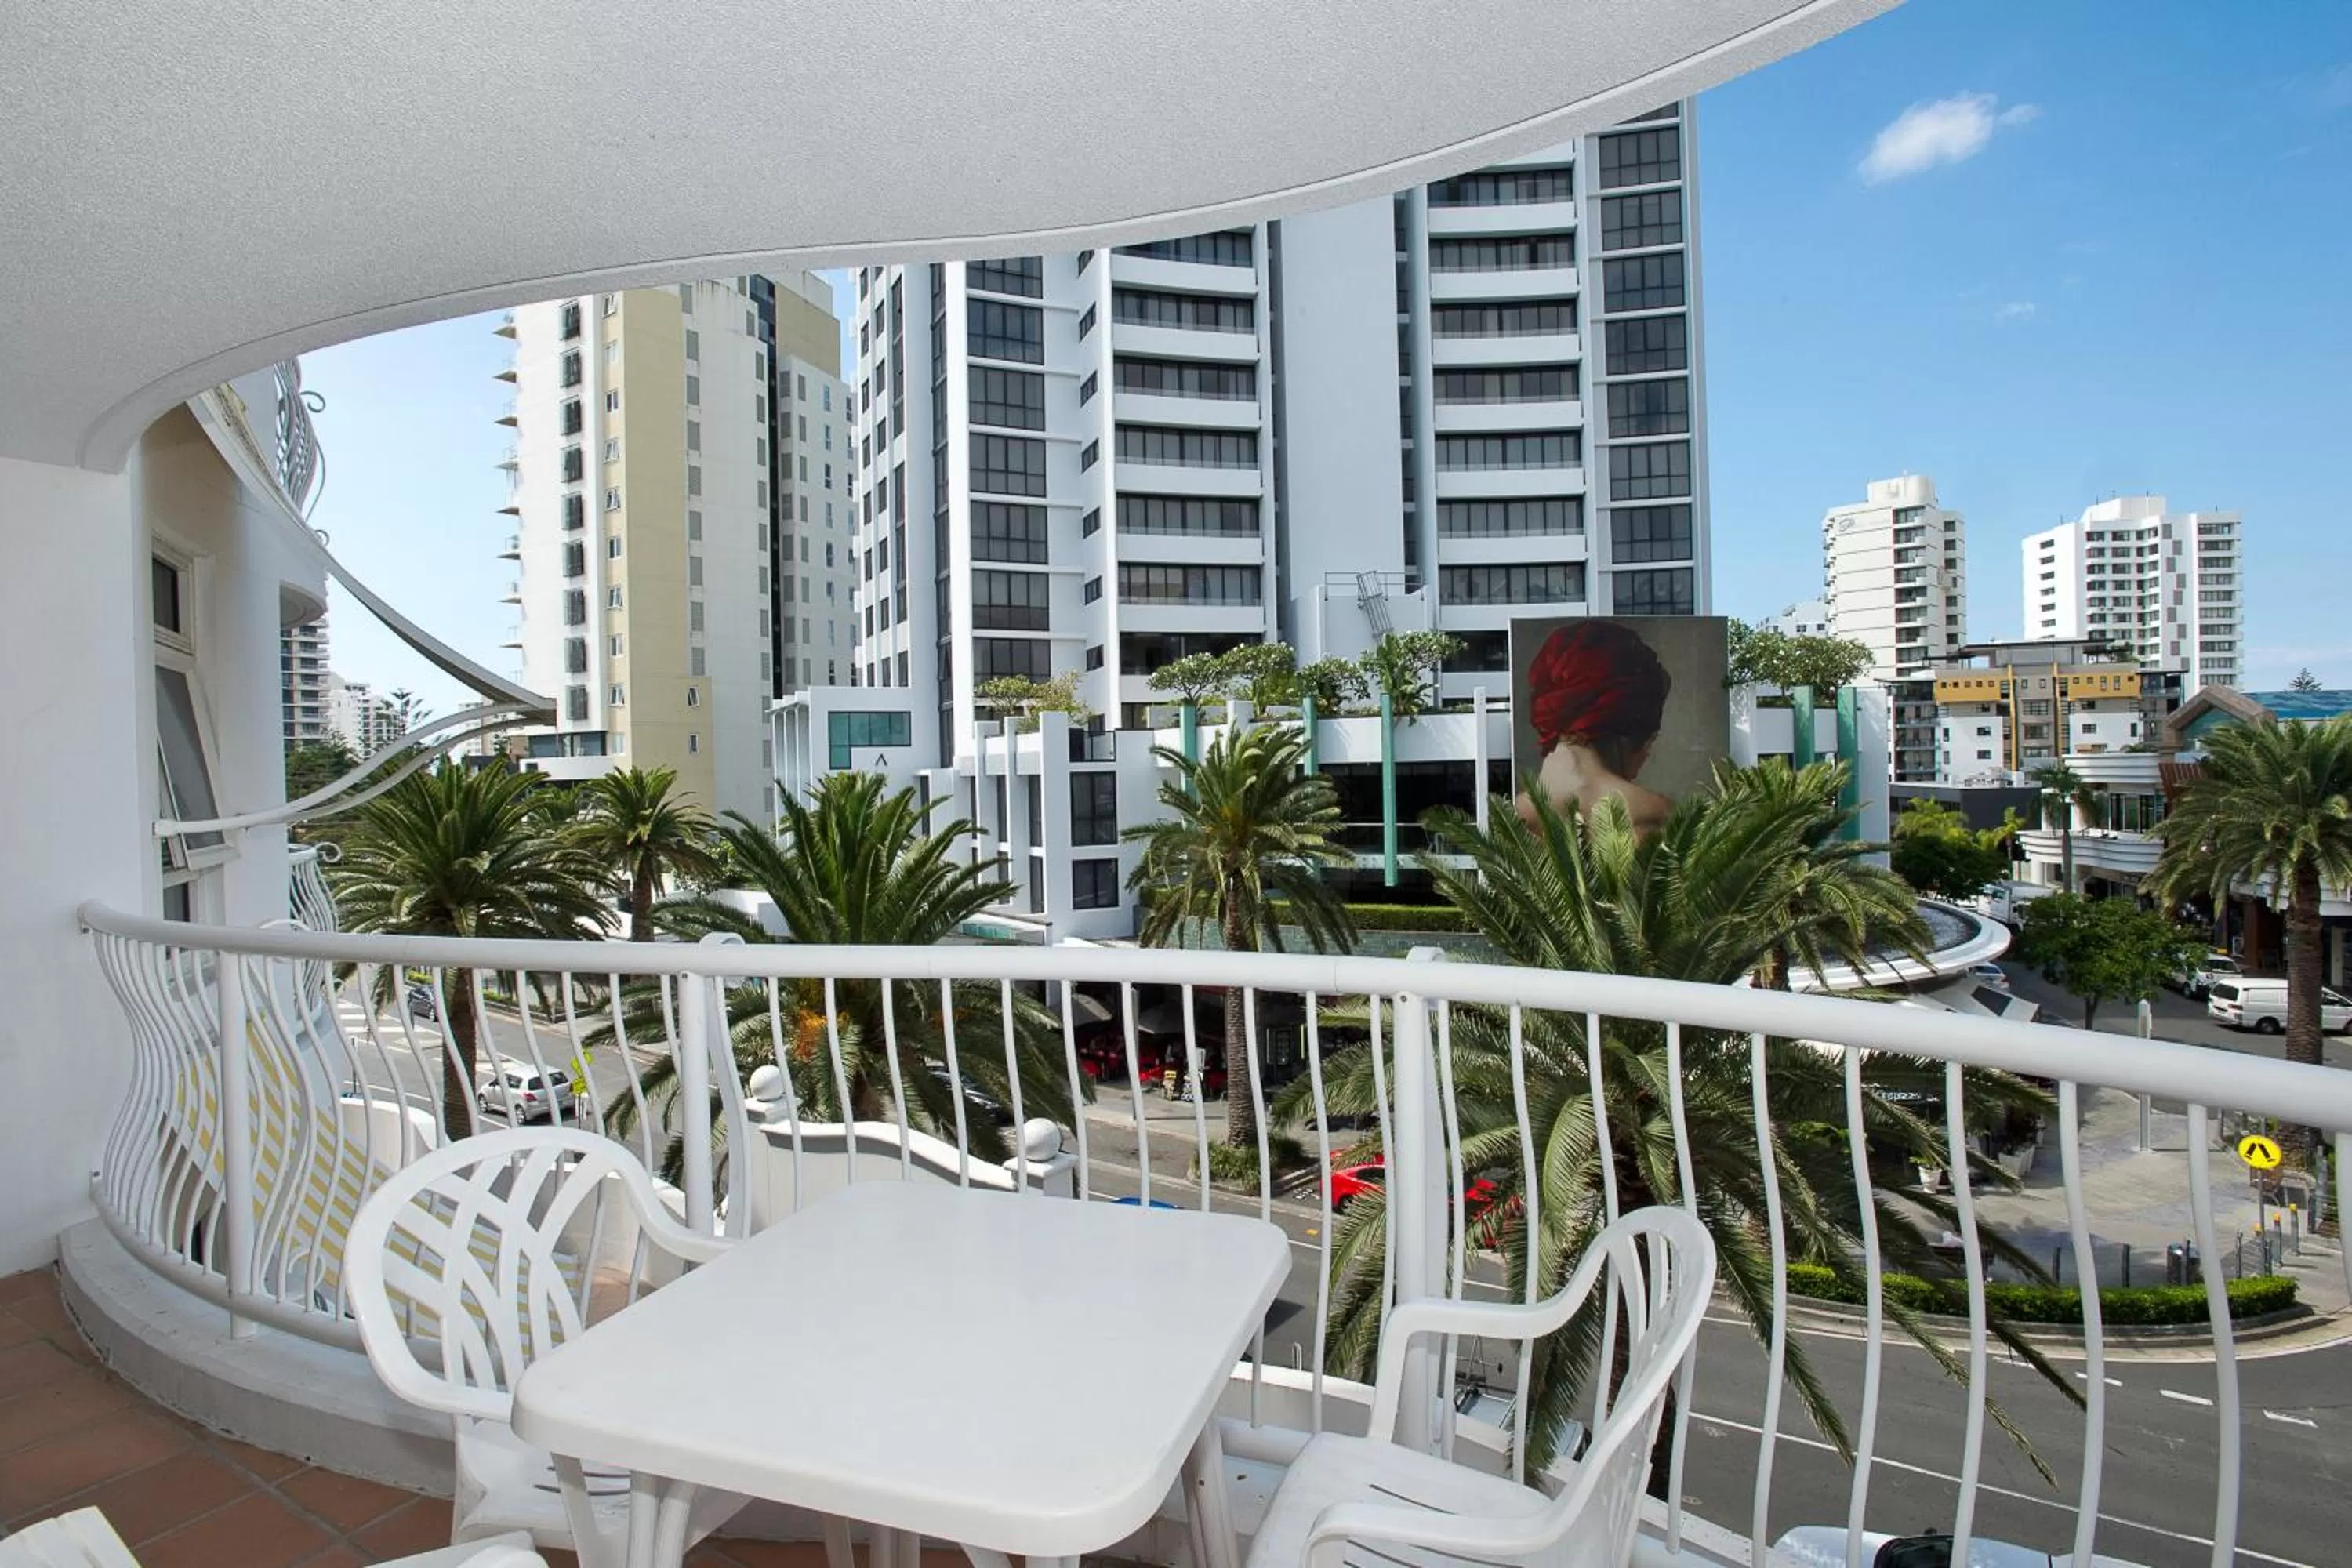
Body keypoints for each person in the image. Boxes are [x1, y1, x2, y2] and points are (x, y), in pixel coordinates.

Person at [1517, 620, 1674, 833]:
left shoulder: (1512, 818)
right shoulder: (1654, 815)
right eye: (1651, 738)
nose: (1647, 755)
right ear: (1632, 730)